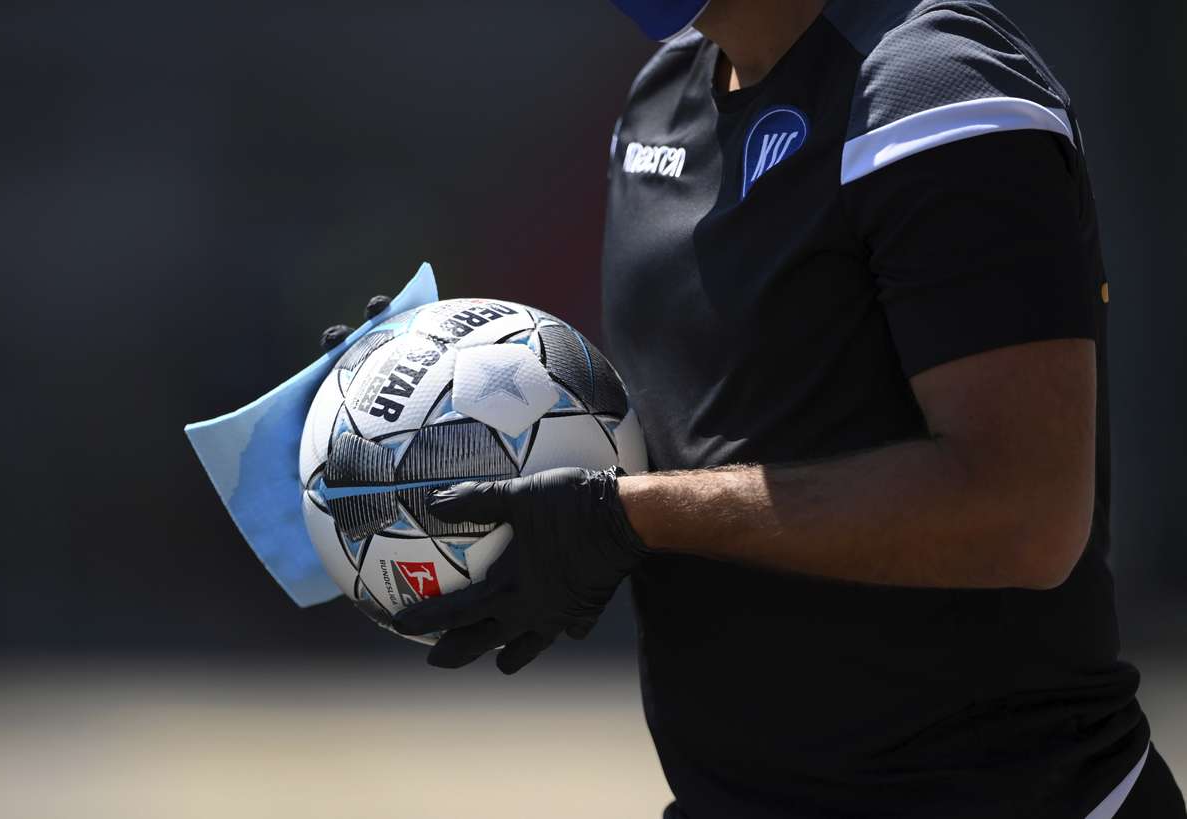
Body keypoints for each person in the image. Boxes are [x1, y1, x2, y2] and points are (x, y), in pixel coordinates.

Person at [337, 1, 1187, 816]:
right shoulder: (660, 103)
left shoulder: (938, 92)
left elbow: (1024, 512)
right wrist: (428, 406)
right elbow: (709, 422)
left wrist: (631, 516)